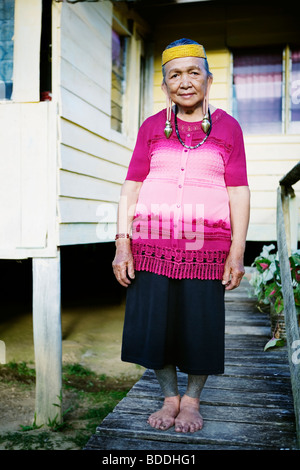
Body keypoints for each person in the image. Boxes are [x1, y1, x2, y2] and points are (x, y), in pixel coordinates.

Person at [112, 38, 250, 433]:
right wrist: (123, 243)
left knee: (200, 326)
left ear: (209, 79)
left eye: (193, 72)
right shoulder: (153, 127)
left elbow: (238, 191)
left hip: (207, 248)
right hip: (150, 245)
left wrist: (236, 251)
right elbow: (131, 187)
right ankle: (169, 396)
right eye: (174, 74)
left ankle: (191, 401)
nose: (184, 81)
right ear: (164, 85)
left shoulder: (228, 128)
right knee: (156, 326)